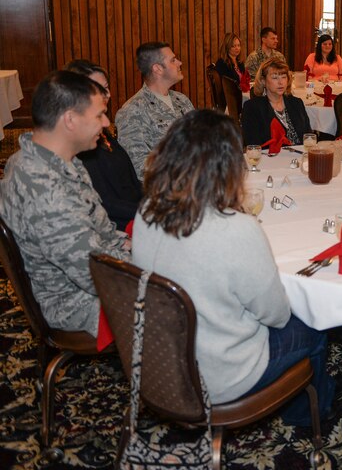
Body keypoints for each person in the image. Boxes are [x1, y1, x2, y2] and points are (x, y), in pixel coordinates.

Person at [132, 109, 333, 422]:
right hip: (219, 376)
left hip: (161, 360)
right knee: (313, 323)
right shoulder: (236, 228)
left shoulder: (146, 210)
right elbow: (276, 315)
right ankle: (306, 412)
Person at [0, 71, 130, 336]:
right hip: (75, 303)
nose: (106, 123)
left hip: (91, 275)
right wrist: (157, 262)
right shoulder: (46, 189)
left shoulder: (54, 158)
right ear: (70, 119)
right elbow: (95, 275)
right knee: (191, 297)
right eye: (98, 115)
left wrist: (132, 244)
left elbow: (101, 230)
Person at [65, 59, 143, 231]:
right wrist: (151, 213)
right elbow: (105, 204)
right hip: (117, 226)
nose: (106, 94)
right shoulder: (82, 143)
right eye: (98, 89)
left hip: (135, 215)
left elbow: (131, 183)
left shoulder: (103, 132)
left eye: (106, 87)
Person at [115, 41, 195, 181]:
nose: (179, 63)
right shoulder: (132, 111)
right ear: (157, 69)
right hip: (166, 192)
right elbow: (140, 167)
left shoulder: (182, 100)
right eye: (173, 60)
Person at [241, 58, 311, 146]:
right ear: (263, 81)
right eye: (275, 78)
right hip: (270, 158)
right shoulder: (252, 108)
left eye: (284, 77)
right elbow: (253, 145)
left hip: (300, 157)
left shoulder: (296, 103)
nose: (280, 82)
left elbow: (308, 136)